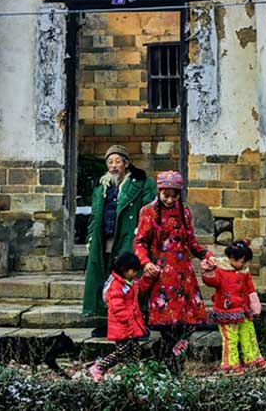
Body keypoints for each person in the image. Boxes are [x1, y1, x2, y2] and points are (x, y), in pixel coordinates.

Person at [133, 170, 215, 374]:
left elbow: (192, 243)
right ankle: (170, 365)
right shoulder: (148, 212)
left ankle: (166, 356)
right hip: (161, 276)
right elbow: (140, 242)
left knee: (188, 324)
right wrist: (145, 263)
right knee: (167, 325)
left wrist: (206, 255)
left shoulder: (185, 212)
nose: (170, 199)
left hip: (184, 277)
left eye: (174, 195)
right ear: (159, 192)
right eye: (165, 195)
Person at [83, 145, 156, 322]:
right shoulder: (102, 187)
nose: (113, 166)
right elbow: (94, 215)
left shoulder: (142, 183)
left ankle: (137, 318)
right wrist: (91, 236)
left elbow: (150, 210)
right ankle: (105, 319)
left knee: (129, 278)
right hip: (104, 238)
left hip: (129, 237)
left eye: (117, 161)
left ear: (126, 163)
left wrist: (143, 233)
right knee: (105, 277)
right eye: (110, 162)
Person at [202, 239, 266, 374]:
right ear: (232, 258)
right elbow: (212, 281)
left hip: (243, 310)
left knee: (248, 333)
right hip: (226, 311)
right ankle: (230, 364)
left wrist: (255, 305)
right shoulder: (221, 269)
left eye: (245, 262)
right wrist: (208, 271)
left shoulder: (244, 272)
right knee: (230, 339)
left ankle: (253, 359)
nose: (244, 264)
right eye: (242, 261)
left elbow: (250, 289)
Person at [88, 253, 151, 382]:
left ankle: (131, 375)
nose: (135, 274)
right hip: (122, 326)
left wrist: (149, 277)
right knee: (122, 352)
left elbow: (141, 287)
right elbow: (116, 307)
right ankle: (99, 367)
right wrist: (128, 318)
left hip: (132, 325)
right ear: (124, 270)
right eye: (133, 271)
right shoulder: (116, 286)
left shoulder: (131, 283)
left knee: (135, 352)